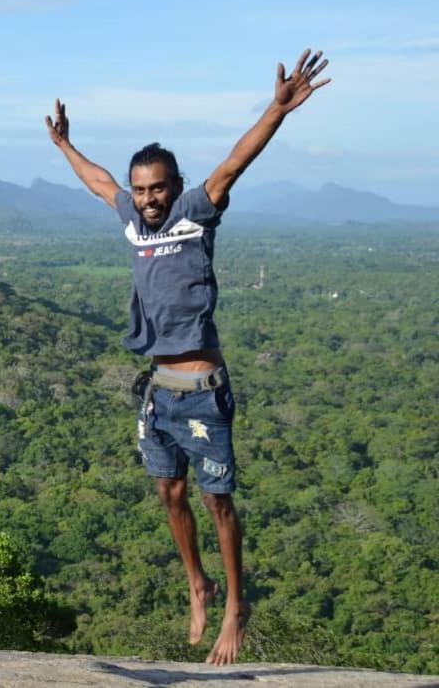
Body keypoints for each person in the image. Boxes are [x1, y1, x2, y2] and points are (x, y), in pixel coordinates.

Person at [46, 49, 330, 665]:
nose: (148, 198)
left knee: (215, 501)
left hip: (202, 389)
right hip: (157, 390)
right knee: (169, 494)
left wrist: (276, 110)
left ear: (175, 187)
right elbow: (100, 182)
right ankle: (195, 583)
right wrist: (66, 145)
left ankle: (234, 603)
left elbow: (234, 162)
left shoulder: (195, 214)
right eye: (142, 189)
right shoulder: (134, 221)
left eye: (158, 189)